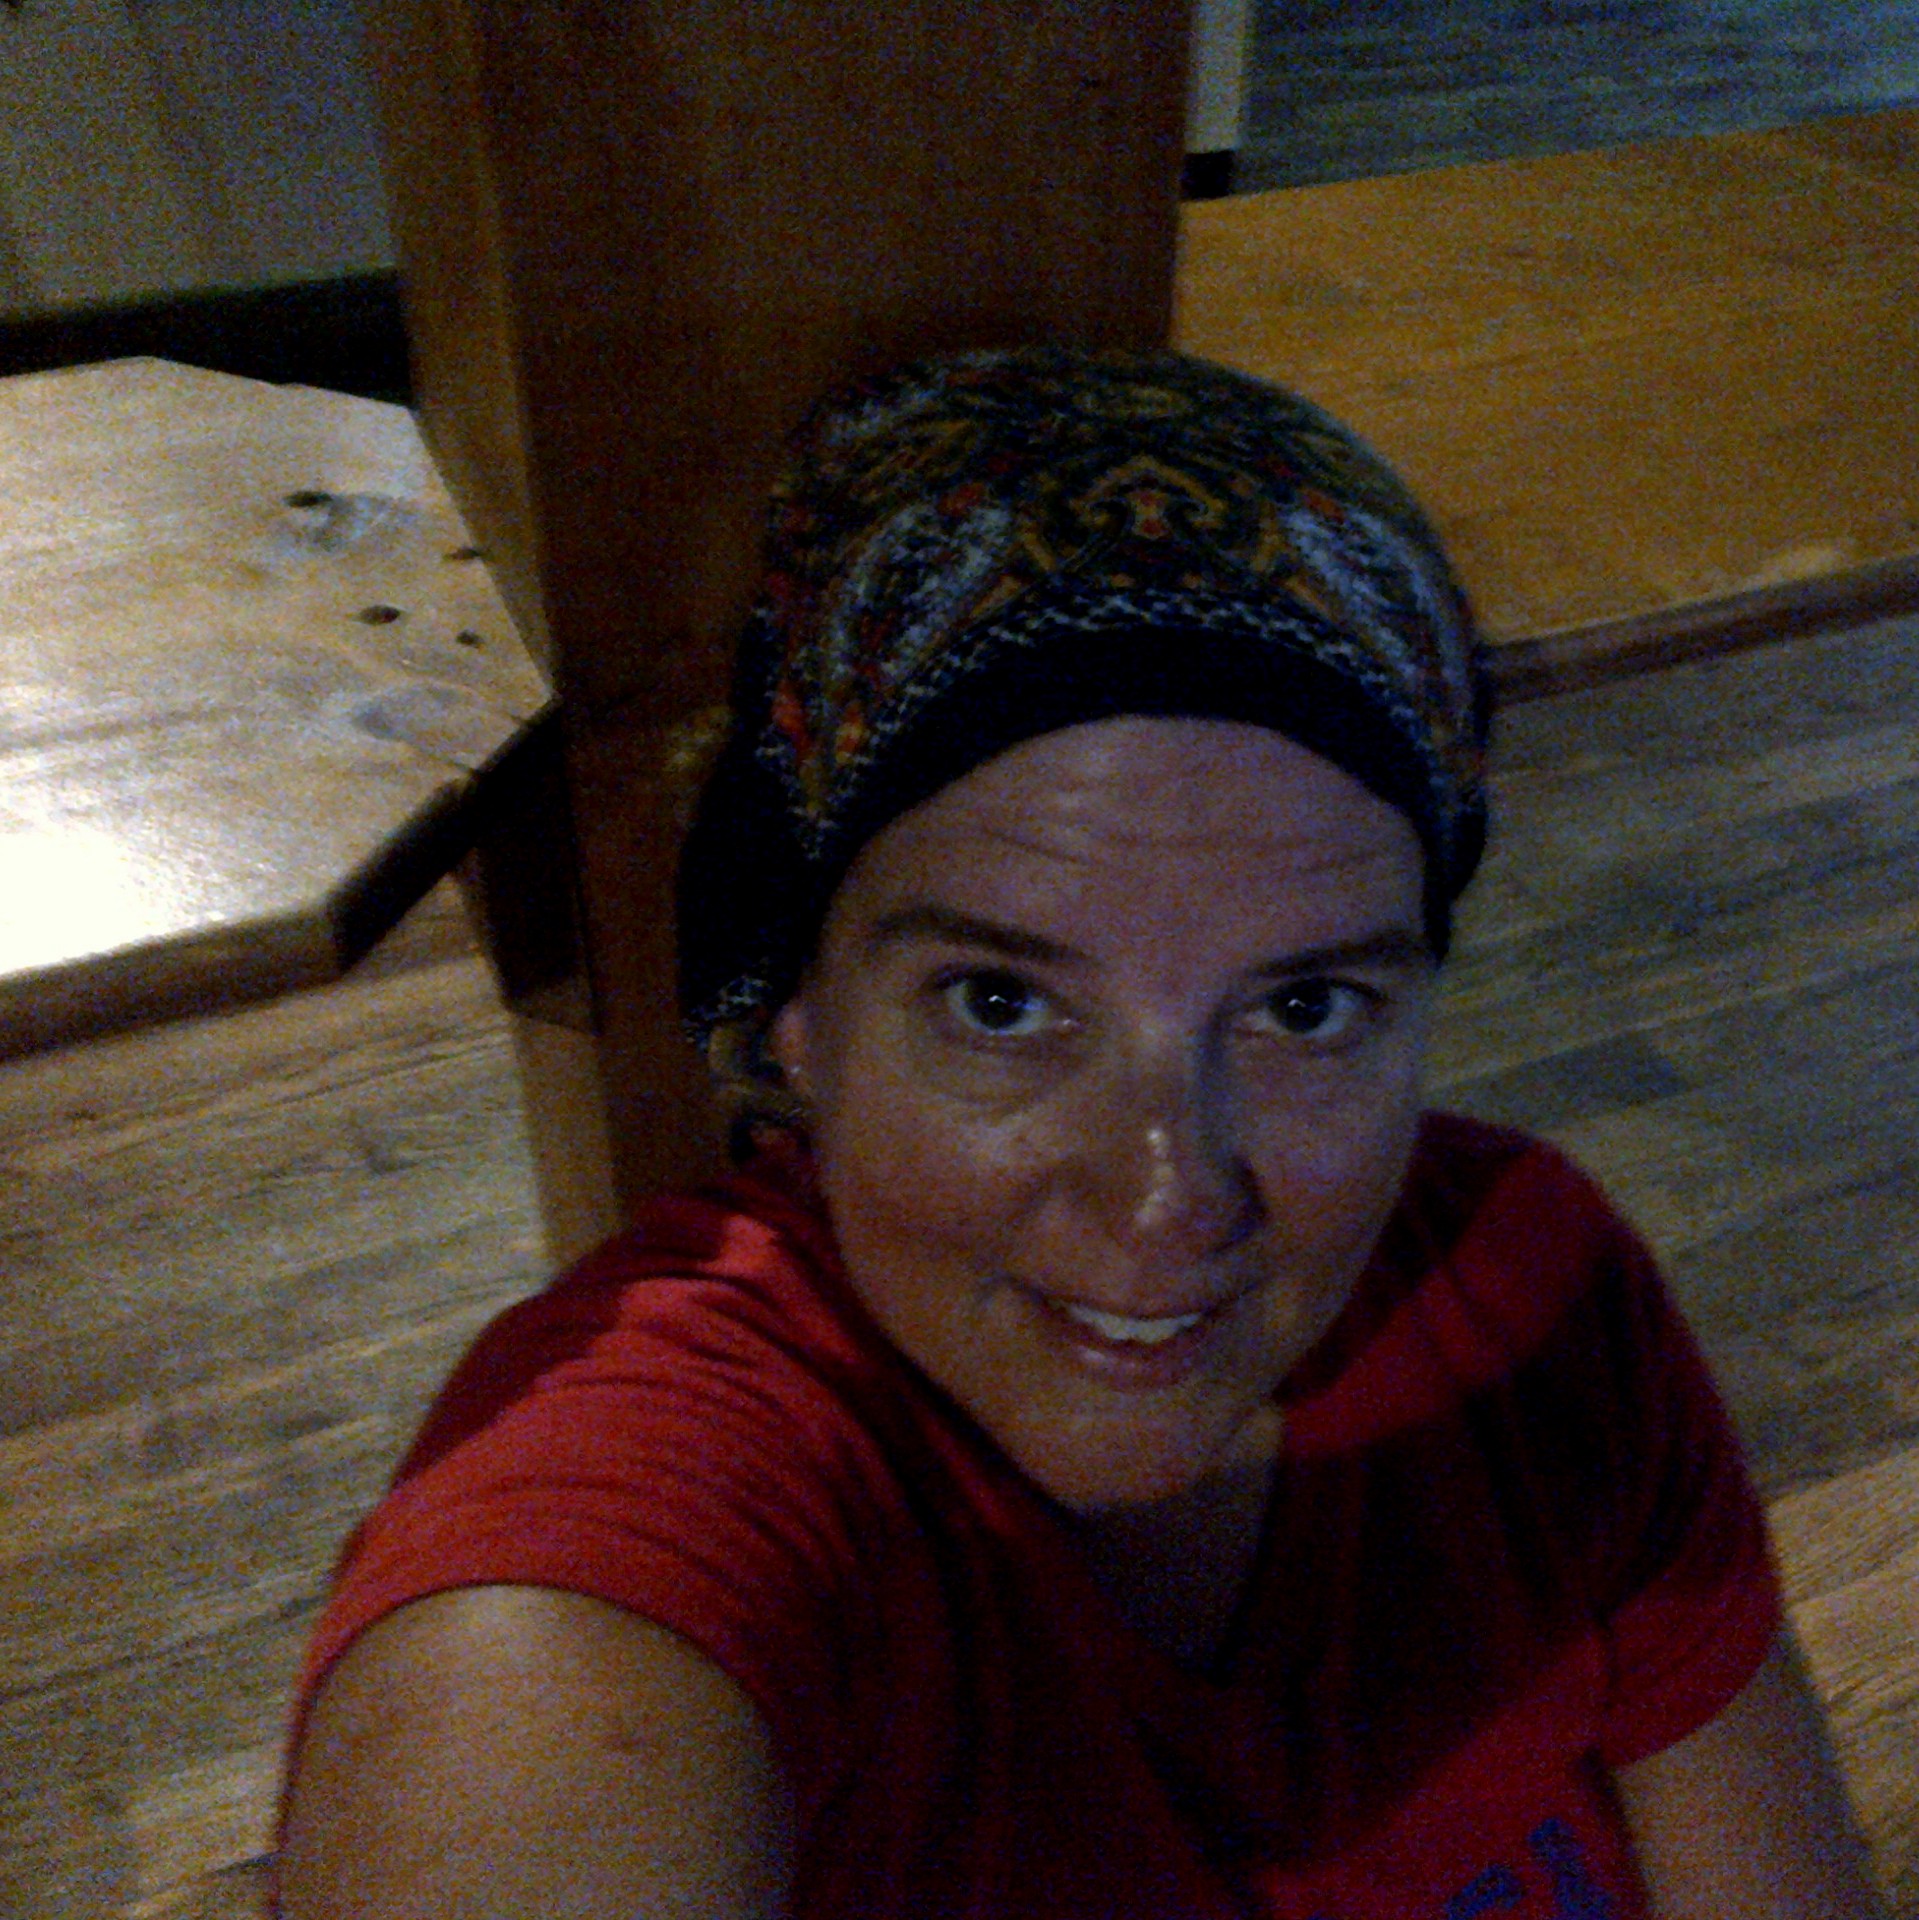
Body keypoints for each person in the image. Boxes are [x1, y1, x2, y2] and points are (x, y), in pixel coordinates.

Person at [276, 346, 1885, 1918]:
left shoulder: (1532, 1301)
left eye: (1305, 1006)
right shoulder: (627, 1550)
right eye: (1000, 1004)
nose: (1165, 1200)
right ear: (797, 1015)